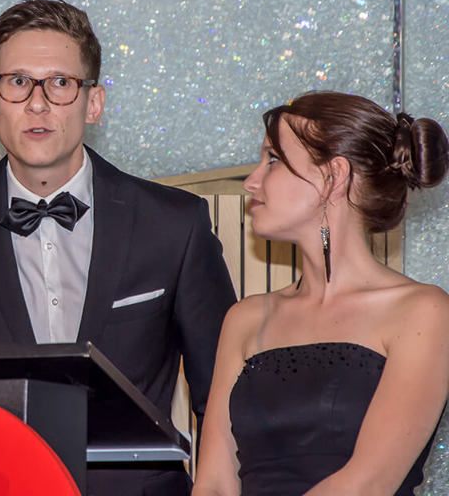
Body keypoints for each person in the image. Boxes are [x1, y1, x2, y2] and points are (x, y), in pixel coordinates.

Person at [0, 0, 237, 496]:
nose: (38, 103)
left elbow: (224, 399)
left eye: (61, 83)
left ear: (94, 103)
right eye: (18, 81)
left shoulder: (174, 224)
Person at [192, 91, 449, 496]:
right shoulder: (245, 318)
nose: (252, 181)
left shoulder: (422, 312)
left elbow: (367, 484)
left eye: (273, 160)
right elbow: (213, 484)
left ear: (334, 175)